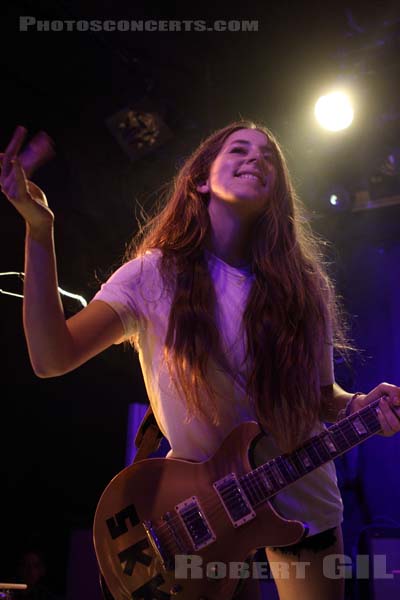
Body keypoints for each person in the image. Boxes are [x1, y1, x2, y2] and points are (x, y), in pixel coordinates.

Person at [1, 121, 400, 600]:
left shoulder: (305, 285)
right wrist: (39, 230)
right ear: (201, 180)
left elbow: (320, 397)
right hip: (204, 513)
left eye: (268, 156)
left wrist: (358, 406)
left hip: (303, 497)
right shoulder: (153, 275)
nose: (257, 158)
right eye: (238, 149)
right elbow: (51, 358)